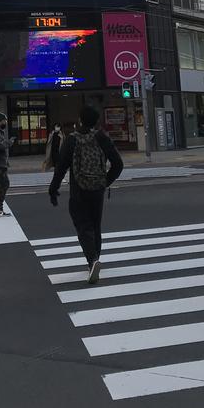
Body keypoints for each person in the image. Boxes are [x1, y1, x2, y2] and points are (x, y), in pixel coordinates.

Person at [49, 105, 123, 284]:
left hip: (79, 190)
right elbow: (118, 164)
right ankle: (95, 258)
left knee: (83, 226)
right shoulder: (101, 137)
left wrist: (53, 188)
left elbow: (61, 168)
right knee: (95, 225)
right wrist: (105, 182)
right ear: (96, 121)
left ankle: (92, 261)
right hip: (97, 189)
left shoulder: (72, 140)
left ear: (80, 120)